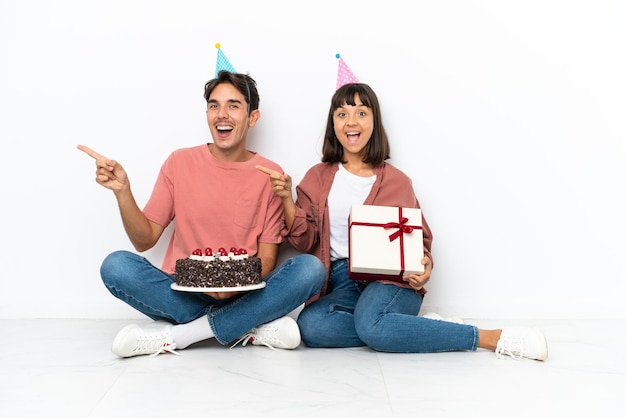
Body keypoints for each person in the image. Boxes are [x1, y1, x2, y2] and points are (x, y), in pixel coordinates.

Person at [257, 82, 548, 360]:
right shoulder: (316, 177)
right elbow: (304, 240)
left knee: (371, 325)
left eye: (361, 113)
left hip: (391, 281)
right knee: (312, 327)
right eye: (342, 114)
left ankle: (489, 337)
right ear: (333, 124)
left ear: (374, 122)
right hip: (342, 280)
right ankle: (412, 327)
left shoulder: (397, 182)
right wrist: (285, 199)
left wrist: (425, 267)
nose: (351, 122)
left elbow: (420, 242)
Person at [78, 70, 326, 358]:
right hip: (183, 293)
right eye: (214, 105)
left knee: (310, 269)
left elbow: (268, 259)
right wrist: (123, 191)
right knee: (116, 266)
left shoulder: (270, 175)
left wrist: (232, 287)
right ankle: (247, 325)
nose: (222, 114)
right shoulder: (179, 162)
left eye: (233, 105)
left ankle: (183, 335)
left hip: (246, 292)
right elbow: (144, 240)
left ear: (252, 117)